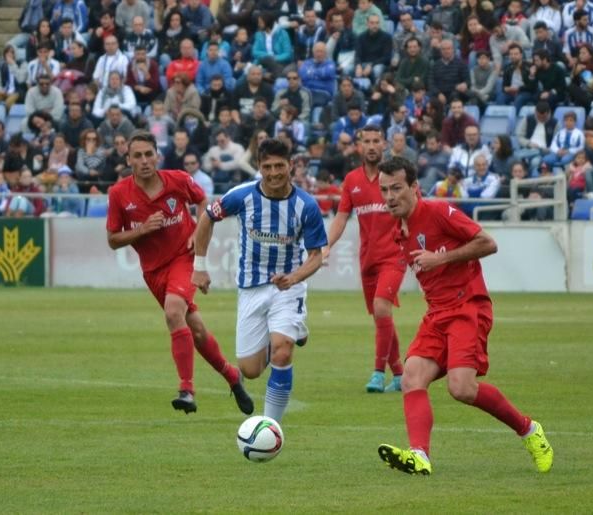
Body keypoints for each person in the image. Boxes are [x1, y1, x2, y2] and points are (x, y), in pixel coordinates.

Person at [375, 156, 553, 476]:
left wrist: (440, 259)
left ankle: (529, 431)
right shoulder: (396, 230)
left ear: (415, 187)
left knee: (462, 389)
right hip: (437, 313)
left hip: (468, 306)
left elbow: (488, 243)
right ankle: (420, 455)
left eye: (396, 188)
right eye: (384, 190)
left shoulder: (439, 211)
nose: (389, 197)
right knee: (412, 376)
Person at [106, 131, 254, 415]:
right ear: (128, 160)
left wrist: (198, 229)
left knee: (173, 312)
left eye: (149, 154)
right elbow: (113, 239)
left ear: (157, 156)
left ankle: (186, 389)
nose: (144, 160)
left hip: (184, 260)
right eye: (137, 156)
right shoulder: (119, 194)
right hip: (153, 272)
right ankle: (232, 377)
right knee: (195, 330)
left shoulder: (177, 179)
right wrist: (142, 230)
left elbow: (204, 204)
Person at [191, 138, 327, 423]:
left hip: (288, 286)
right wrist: (200, 266)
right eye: (268, 166)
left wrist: (294, 277)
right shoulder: (241, 196)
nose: (275, 173)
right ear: (259, 167)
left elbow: (315, 256)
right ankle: (293, 329)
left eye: (280, 166)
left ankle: (271, 428)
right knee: (250, 369)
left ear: (291, 166)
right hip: (251, 287)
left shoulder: (307, 205)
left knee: (282, 352)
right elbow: (207, 218)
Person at [324, 125, 407, 393]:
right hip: (368, 259)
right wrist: (326, 246)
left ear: (384, 144)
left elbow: (415, 209)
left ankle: (376, 374)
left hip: (394, 255)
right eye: (366, 141)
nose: (371, 146)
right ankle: (399, 375)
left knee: (382, 309)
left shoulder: (396, 176)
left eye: (376, 140)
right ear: (359, 146)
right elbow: (341, 217)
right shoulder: (351, 180)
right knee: (381, 317)